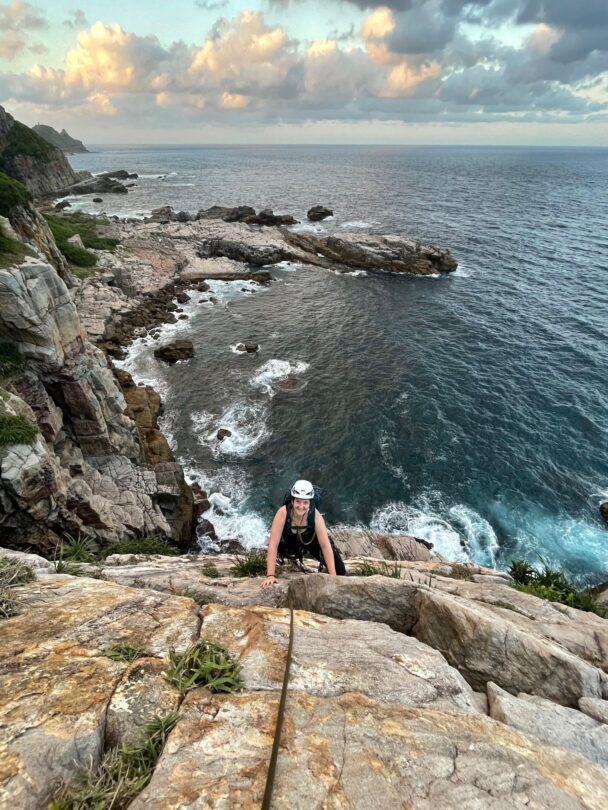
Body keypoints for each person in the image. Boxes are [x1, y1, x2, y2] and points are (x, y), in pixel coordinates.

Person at [262, 479, 346, 588]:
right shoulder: (283, 513)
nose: (301, 506)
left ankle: (318, 576)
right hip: (289, 541)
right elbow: (273, 544)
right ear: (292, 501)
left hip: (311, 541)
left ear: (310, 503)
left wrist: (332, 577)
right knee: (270, 541)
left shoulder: (316, 516)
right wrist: (270, 576)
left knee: (340, 571)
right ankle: (290, 557)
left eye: (305, 502)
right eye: (298, 501)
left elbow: (325, 546)